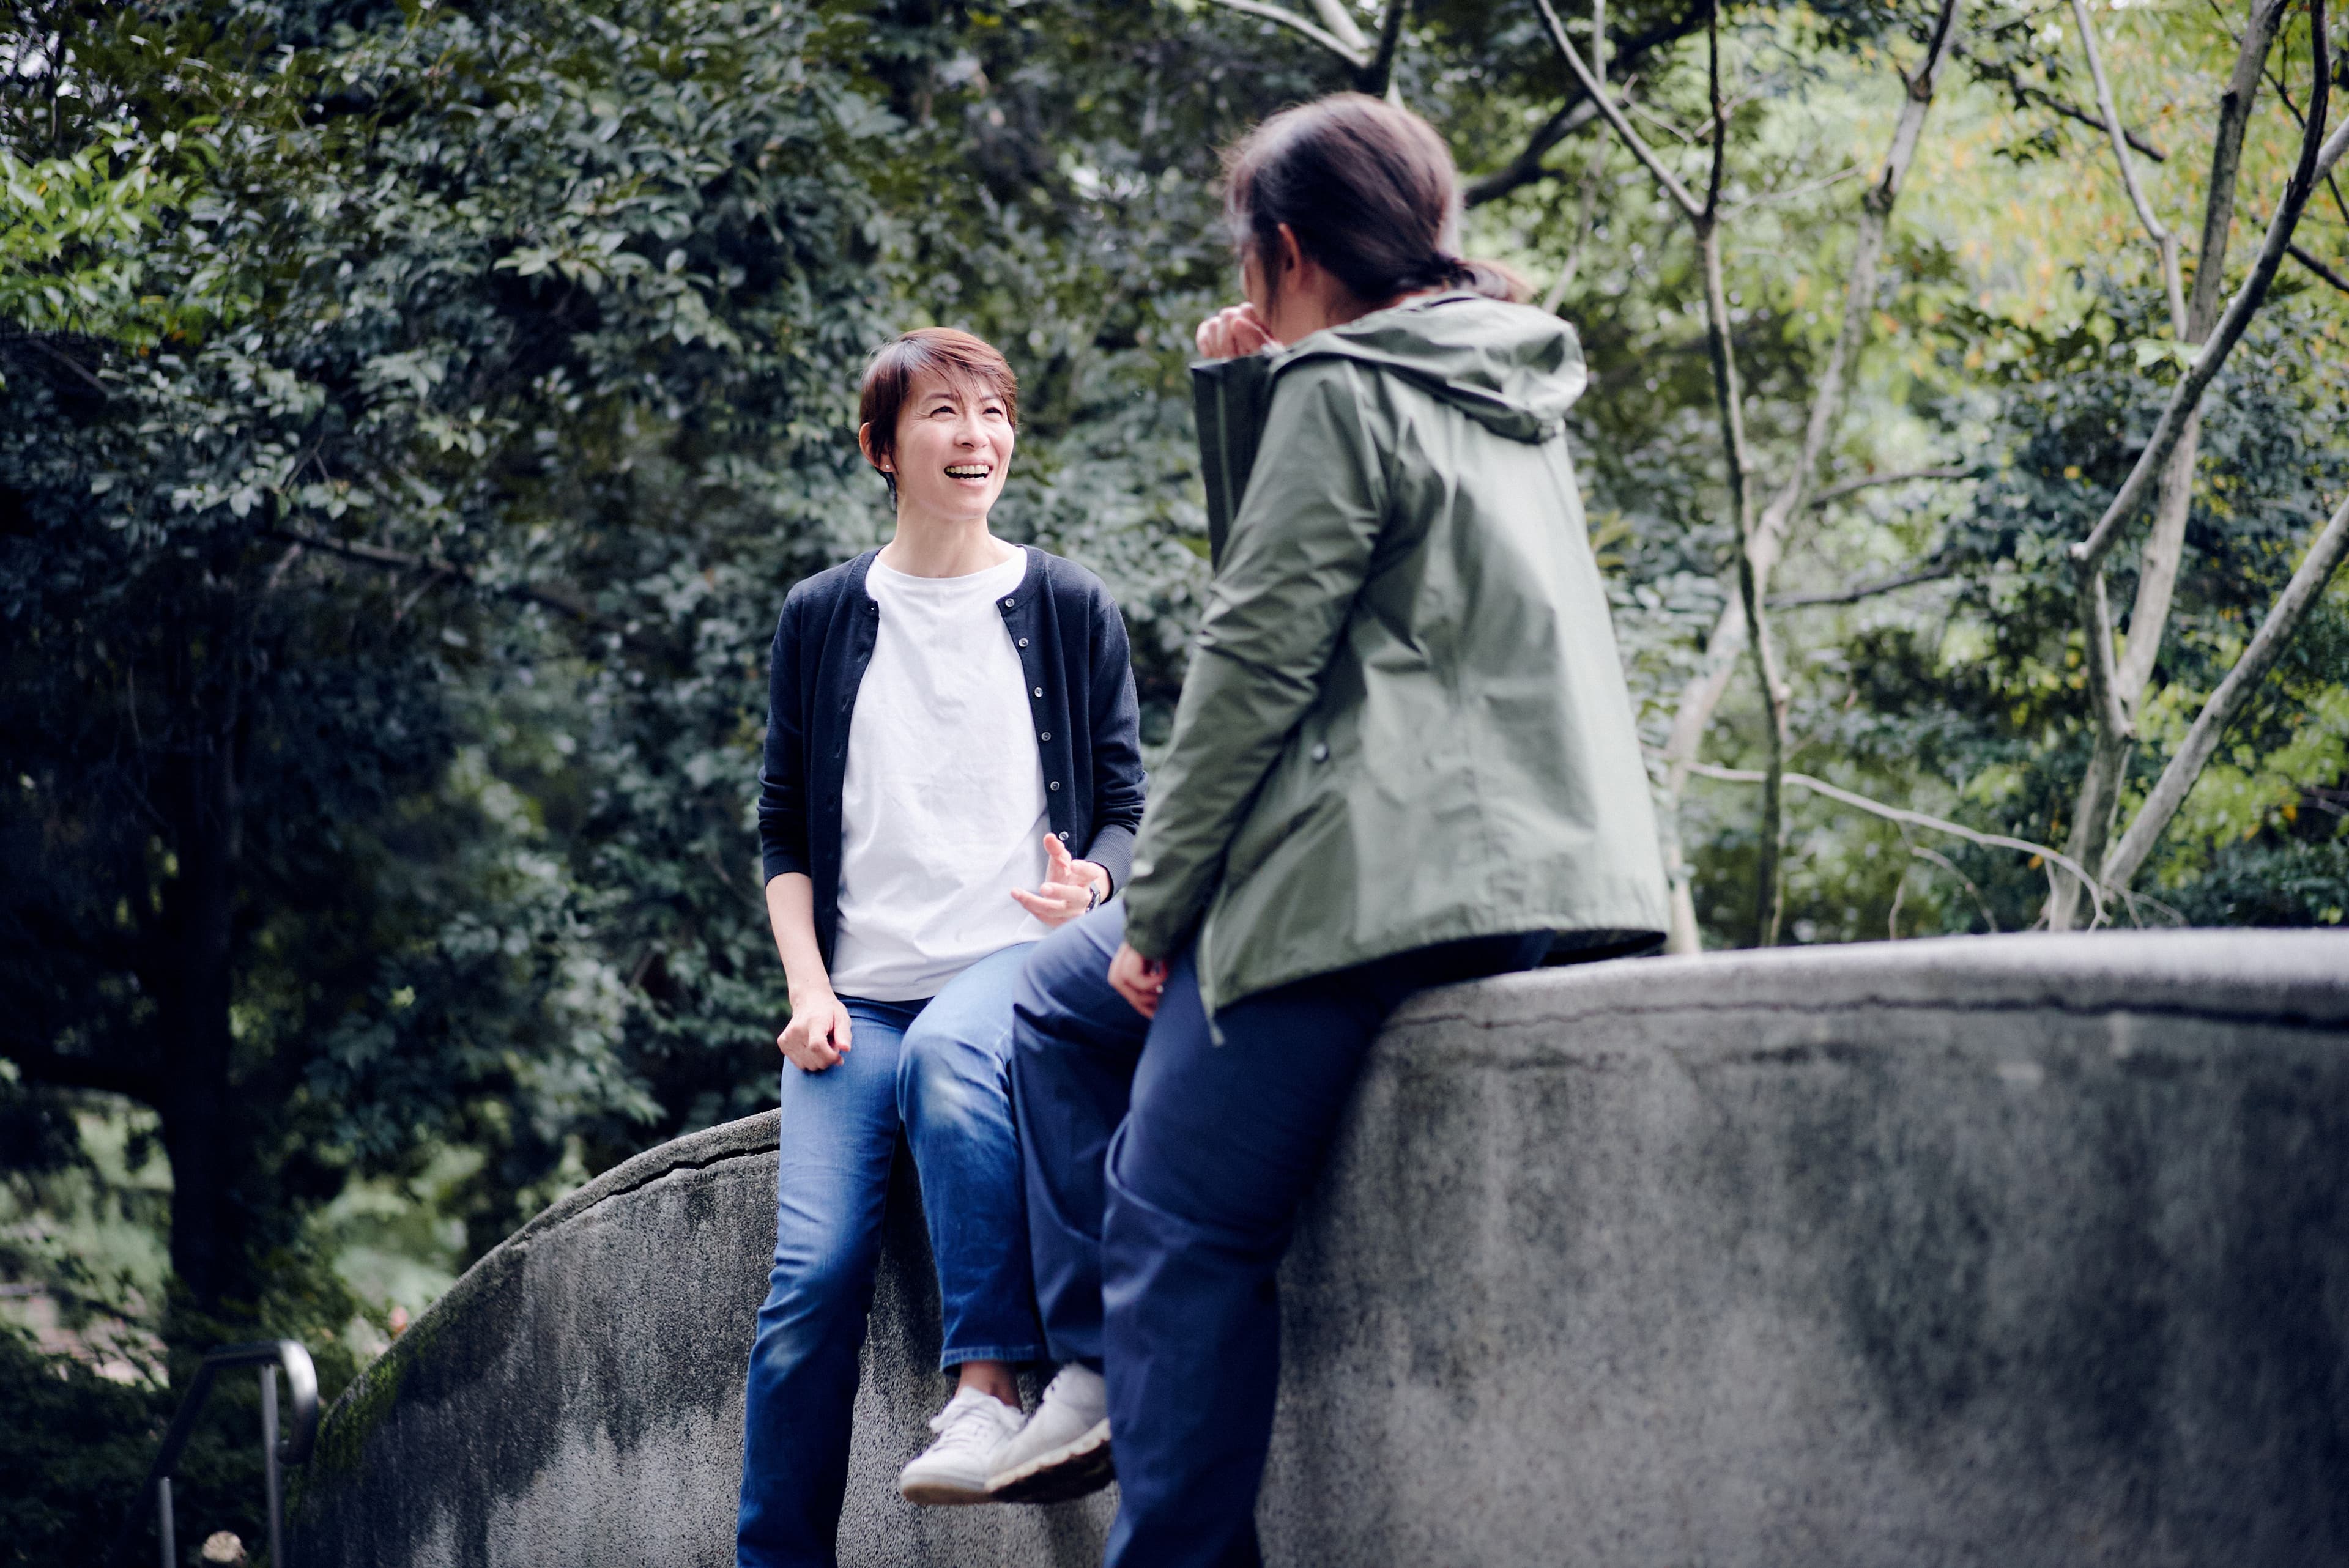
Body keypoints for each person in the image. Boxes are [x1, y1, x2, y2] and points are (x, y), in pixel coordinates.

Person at [983, 94, 1669, 1566]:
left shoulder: (1347, 387)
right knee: (1052, 997)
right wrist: (1250, 400)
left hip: (1380, 875)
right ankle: (1097, 1377)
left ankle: (1128, 1440)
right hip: (1536, 867)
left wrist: (1164, 908)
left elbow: (1255, 662)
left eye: (1250, 254)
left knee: (1173, 1228)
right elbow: (1330, 585)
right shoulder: (1498, 375)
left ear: (1287, 251)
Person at [738, 327, 1145, 1567]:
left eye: (995, 413)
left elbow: (1127, 809)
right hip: (858, 1004)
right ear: (882, 448)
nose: (979, 437)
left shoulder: (1068, 604)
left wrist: (1096, 885)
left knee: (949, 1059)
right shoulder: (821, 615)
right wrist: (809, 989)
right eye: (944, 414)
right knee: (812, 1282)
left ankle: (989, 1388)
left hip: (1012, 974)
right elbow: (783, 828)